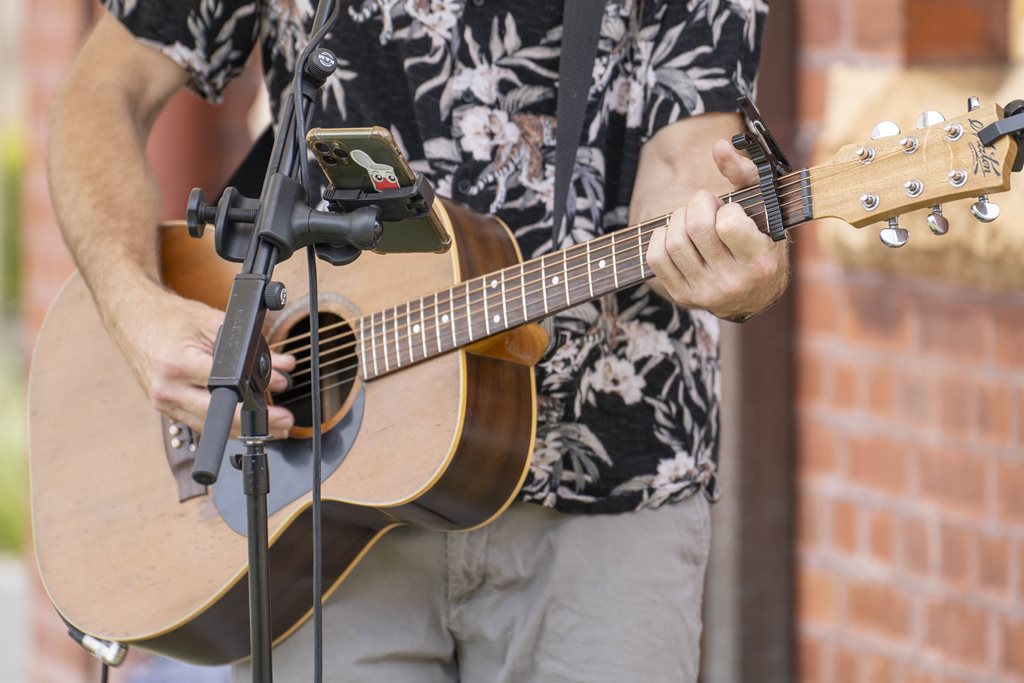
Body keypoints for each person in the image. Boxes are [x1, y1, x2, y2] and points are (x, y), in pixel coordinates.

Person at [48, 1, 785, 681]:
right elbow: (102, 92)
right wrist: (137, 311)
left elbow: (689, 150)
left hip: (606, 487)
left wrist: (711, 247)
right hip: (320, 511)